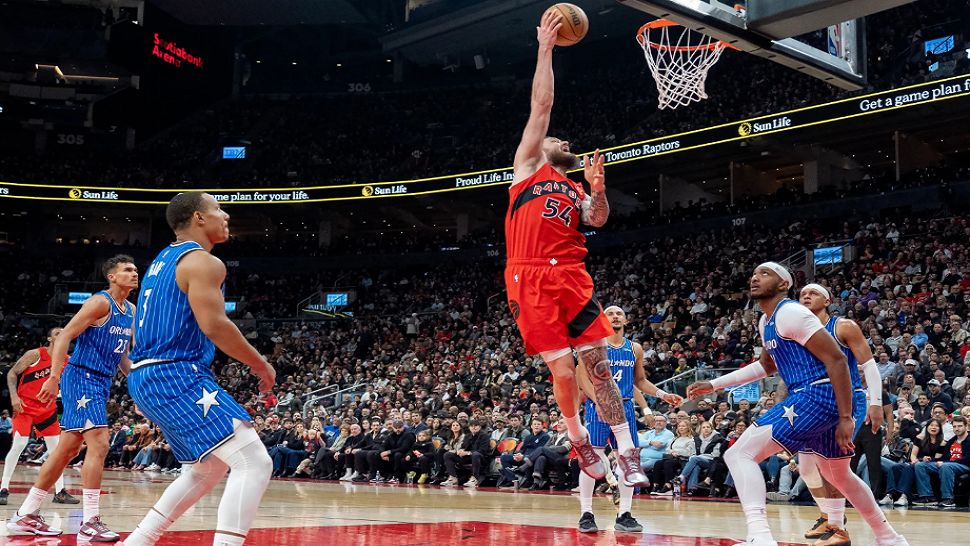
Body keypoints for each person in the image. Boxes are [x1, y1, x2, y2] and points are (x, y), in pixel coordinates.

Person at [503, 10, 644, 486]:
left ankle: (627, 447)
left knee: (598, 366)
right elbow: (541, 107)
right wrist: (545, 48)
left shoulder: (575, 188)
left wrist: (599, 190)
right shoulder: (528, 167)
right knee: (563, 369)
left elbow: (598, 220)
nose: (566, 141)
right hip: (529, 275)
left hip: (572, 276)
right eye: (559, 139)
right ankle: (578, 437)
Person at [687, 263, 908, 546]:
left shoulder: (790, 312)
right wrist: (715, 384)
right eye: (753, 273)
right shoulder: (765, 321)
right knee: (837, 473)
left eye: (765, 274)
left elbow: (838, 360)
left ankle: (760, 537)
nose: (755, 277)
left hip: (818, 394)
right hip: (819, 397)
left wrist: (845, 417)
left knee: (739, 454)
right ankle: (889, 537)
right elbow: (765, 366)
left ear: (783, 285)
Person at [121, 192, 276, 546]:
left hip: (148, 374)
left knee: (206, 469)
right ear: (198, 218)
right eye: (218, 210)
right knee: (254, 461)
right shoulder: (204, 262)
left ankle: (138, 541)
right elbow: (215, 326)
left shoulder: (162, 260)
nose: (226, 216)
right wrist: (261, 363)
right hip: (174, 373)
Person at [8, 255, 138, 541]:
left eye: (135, 269)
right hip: (81, 376)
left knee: (66, 450)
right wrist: (54, 377)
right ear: (111, 277)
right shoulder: (99, 302)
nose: (134, 273)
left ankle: (26, 514)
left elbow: (123, 357)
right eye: (127, 270)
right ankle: (90, 520)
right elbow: (65, 335)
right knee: (100, 442)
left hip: (101, 381)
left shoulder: (131, 310)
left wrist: (139, 386)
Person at [798, 284, 893, 546]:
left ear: (827, 300)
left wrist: (875, 403)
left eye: (813, 293)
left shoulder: (844, 326)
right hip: (811, 402)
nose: (805, 296)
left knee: (834, 469)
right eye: (802, 294)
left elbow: (870, 366)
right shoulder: (797, 332)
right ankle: (828, 517)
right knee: (807, 468)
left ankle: (839, 524)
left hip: (845, 400)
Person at [575, 305, 682, 533]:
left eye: (619, 314)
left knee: (628, 459)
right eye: (610, 314)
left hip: (624, 407)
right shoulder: (593, 345)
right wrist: (600, 401)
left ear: (626, 319)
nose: (615, 316)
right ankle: (586, 513)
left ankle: (624, 513)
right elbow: (582, 379)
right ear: (603, 320)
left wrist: (663, 394)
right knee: (592, 460)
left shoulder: (634, 349)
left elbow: (640, 381)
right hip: (597, 406)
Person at [1, 328, 78, 507]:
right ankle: (3, 488)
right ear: (50, 338)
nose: (62, 335)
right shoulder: (35, 355)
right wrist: (13, 397)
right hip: (25, 406)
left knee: (57, 451)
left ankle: (60, 492)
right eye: (58, 333)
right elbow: (12, 373)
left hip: (47, 409)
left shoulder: (66, 361)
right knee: (19, 444)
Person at [912, 415, 970, 507]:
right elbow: (944, 458)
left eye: (959, 426)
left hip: (965, 466)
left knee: (945, 466)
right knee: (921, 465)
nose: (957, 429)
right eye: (954, 426)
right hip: (949, 464)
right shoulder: (952, 441)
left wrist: (946, 463)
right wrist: (932, 459)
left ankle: (948, 498)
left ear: (966, 426)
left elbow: (967, 459)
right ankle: (928, 497)